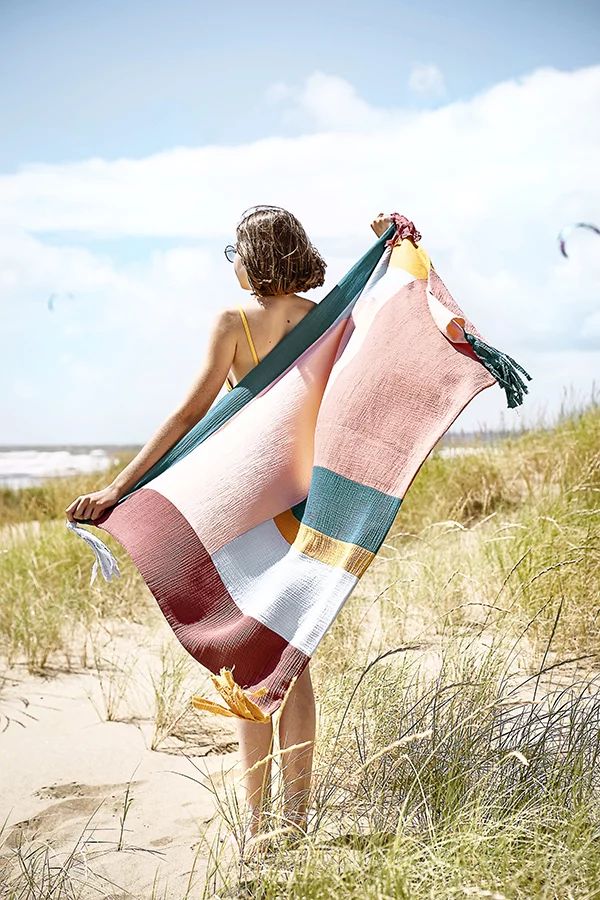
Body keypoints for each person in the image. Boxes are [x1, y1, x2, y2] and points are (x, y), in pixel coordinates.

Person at [65, 205, 393, 847]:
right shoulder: (328, 317)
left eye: (235, 251)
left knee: (249, 667)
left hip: (246, 510)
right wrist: (381, 253)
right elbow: (368, 365)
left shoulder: (233, 322)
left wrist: (117, 489)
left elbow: (190, 413)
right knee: (293, 665)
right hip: (308, 509)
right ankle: (295, 824)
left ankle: (257, 825)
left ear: (257, 255)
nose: (233, 263)